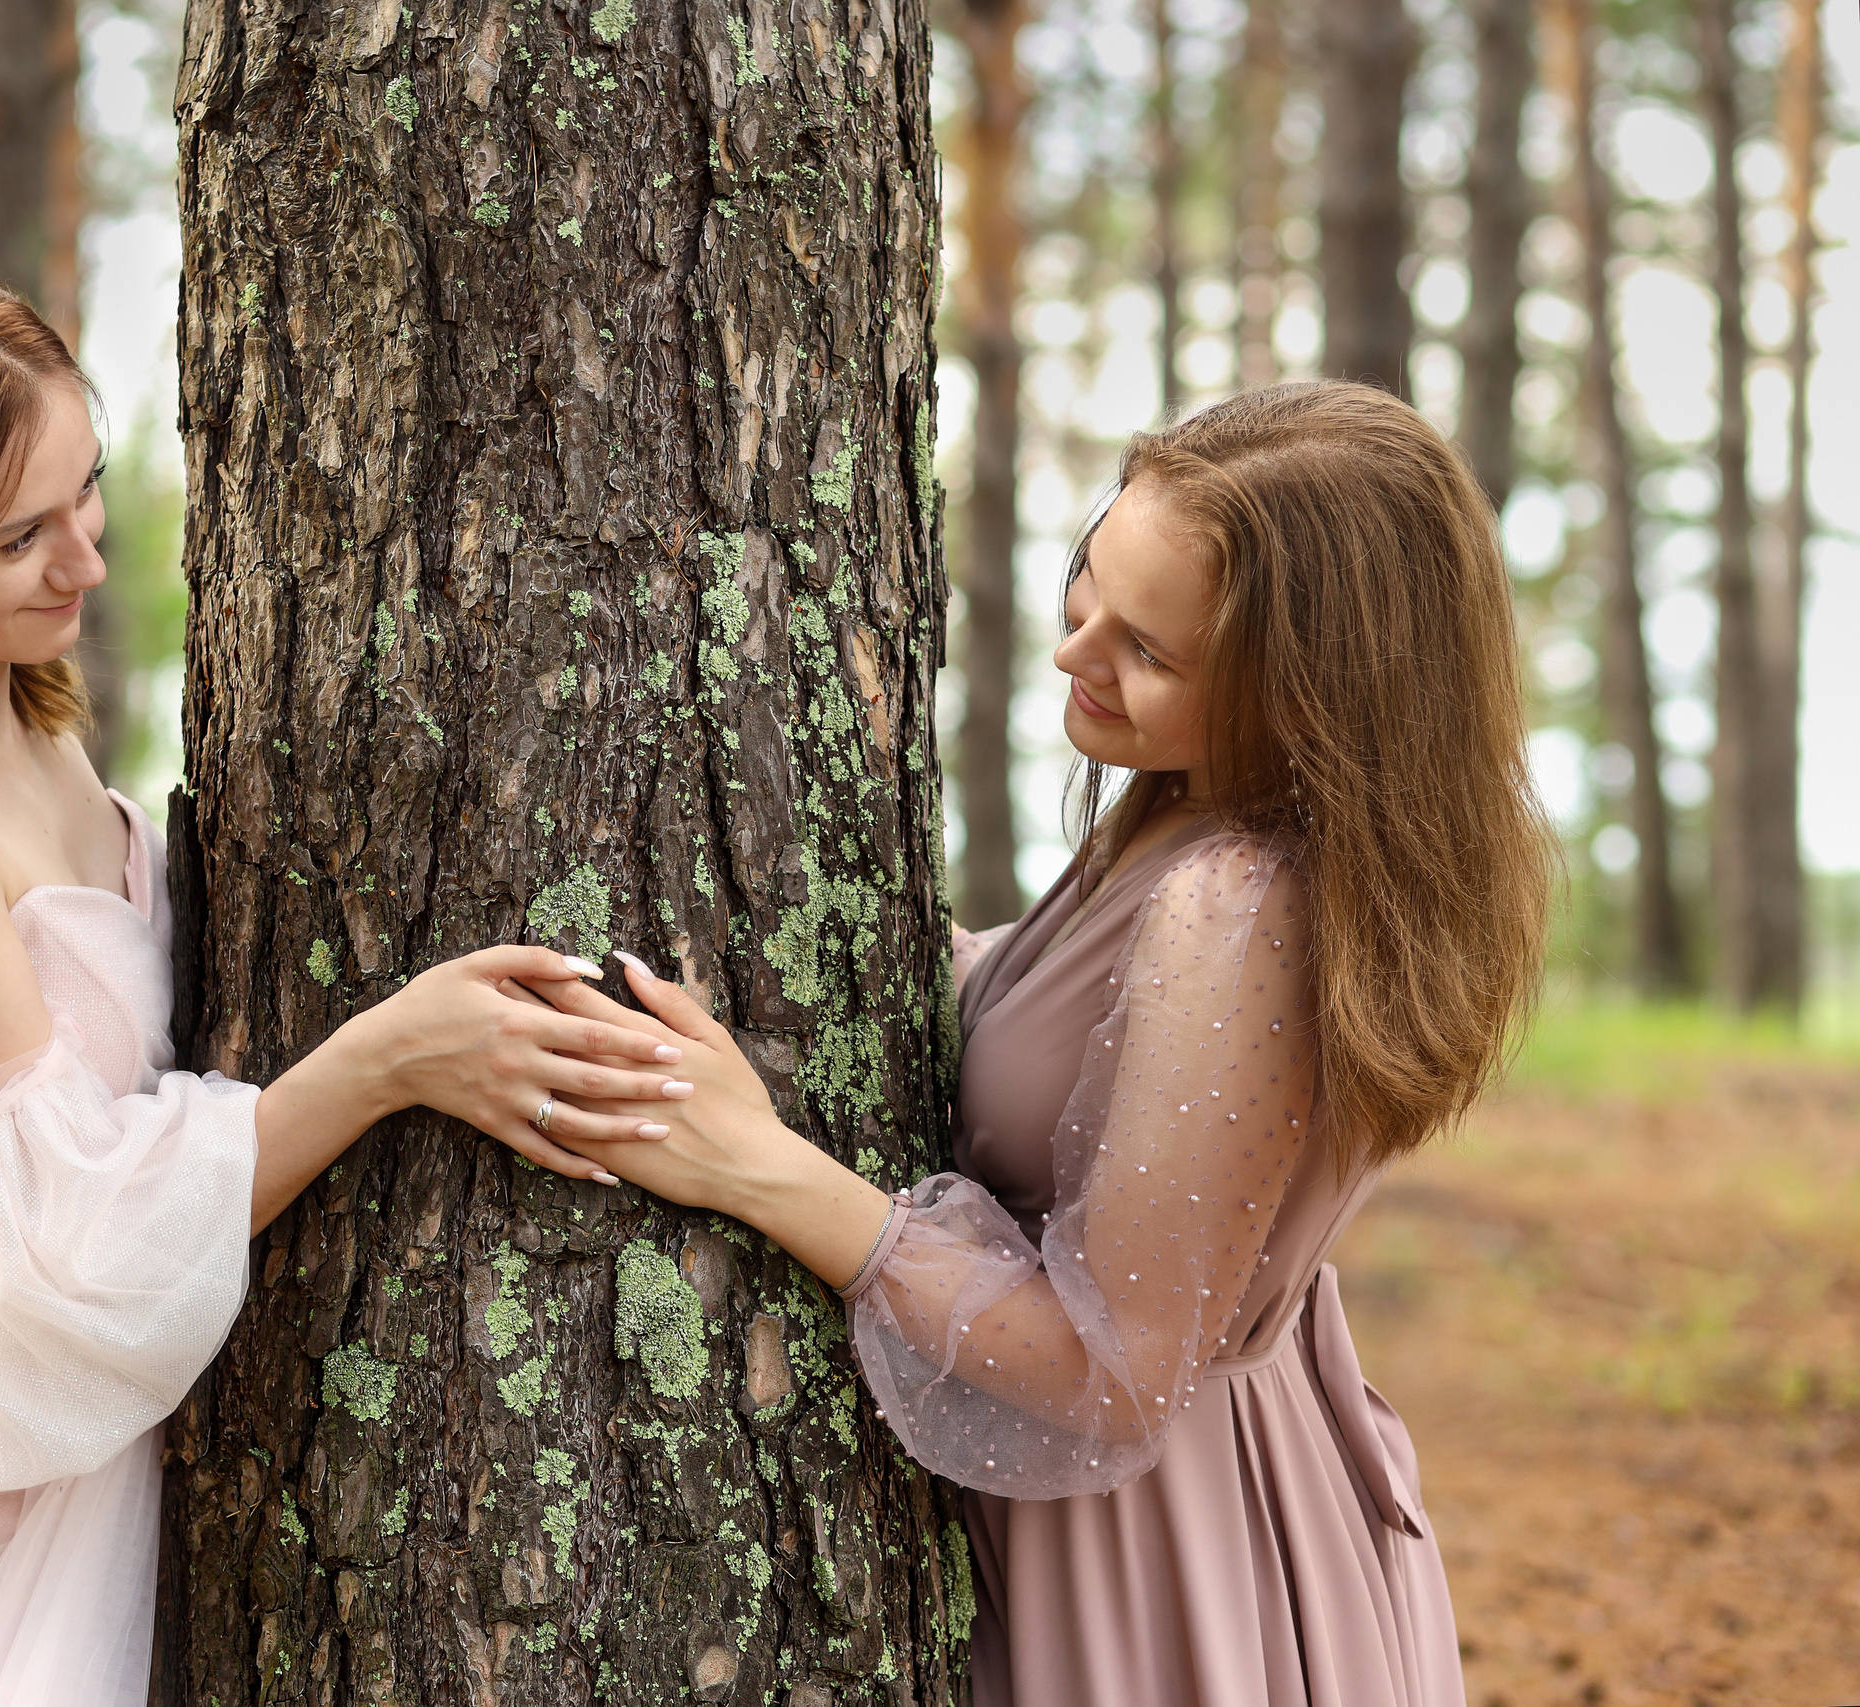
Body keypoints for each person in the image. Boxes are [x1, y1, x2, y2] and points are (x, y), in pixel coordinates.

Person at [0, 262, 690, 1707]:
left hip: (100, 1462)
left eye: (83, 489)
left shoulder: (28, 724)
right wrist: (385, 1060)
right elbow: (52, 1256)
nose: (84, 562)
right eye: (16, 537)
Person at [539, 382, 1552, 1705]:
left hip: (1159, 1560)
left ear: (1311, 696)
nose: (1075, 655)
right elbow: (1087, 1030)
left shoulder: (1237, 904)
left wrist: (757, 1169)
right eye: (1089, 584)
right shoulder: (1198, 821)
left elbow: (1108, 1370)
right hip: (1211, 1498)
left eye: (1150, 652)